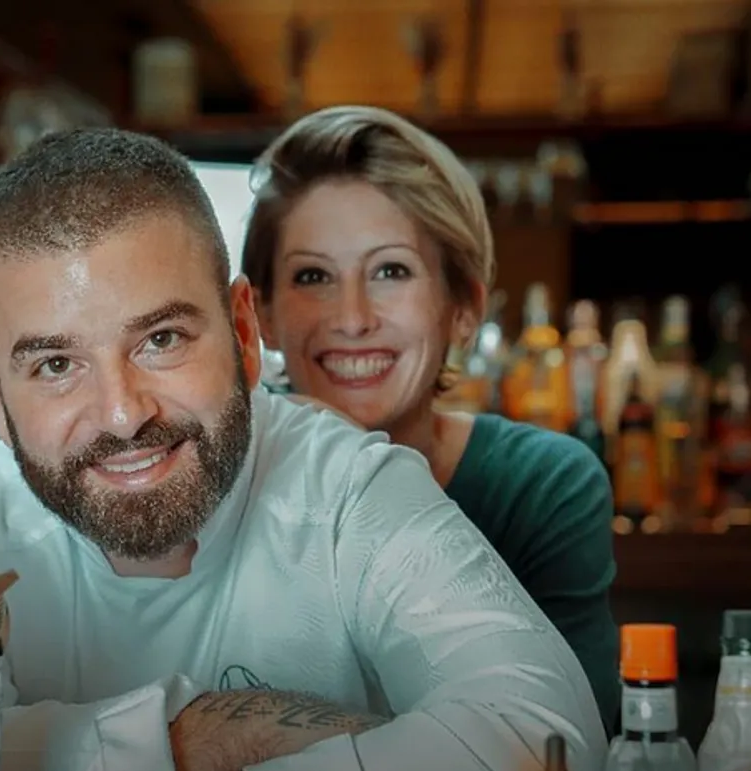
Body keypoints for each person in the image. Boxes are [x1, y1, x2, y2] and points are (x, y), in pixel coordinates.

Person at [0, 127, 606, 771]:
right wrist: (195, 738)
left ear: (240, 330)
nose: (122, 412)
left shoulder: (347, 484)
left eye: (160, 340)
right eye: (53, 365)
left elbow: (555, 752)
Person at [237, 106, 619, 733]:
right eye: (313, 276)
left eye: (391, 271)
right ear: (263, 315)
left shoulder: (543, 486)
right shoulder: (220, 477)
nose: (353, 317)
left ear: (462, 308)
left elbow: (564, 752)